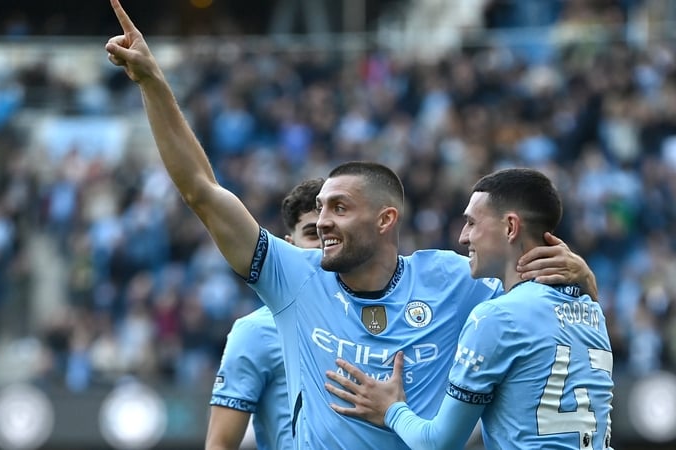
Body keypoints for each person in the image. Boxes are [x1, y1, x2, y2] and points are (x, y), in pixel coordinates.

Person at [105, 3, 599, 447]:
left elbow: (557, 326)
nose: (321, 222)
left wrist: (585, 281)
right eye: (320, 208)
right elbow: (201, 190)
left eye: (339, 208)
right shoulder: (292, 278)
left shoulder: (458, 282)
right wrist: (153, 82)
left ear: (386, 219)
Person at [325, 168, 613, 449]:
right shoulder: (591, 308)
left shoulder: (496, 317)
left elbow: (438, 443)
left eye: (472, 223)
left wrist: (391, 409)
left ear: (510, 227)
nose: (463, 236)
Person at [206, 178, 324, 450]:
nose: (322, 245)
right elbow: (220, 443)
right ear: (288, 243)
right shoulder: (256, 331)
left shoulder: (371, 319)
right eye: (311, 233)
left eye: (330, 233)